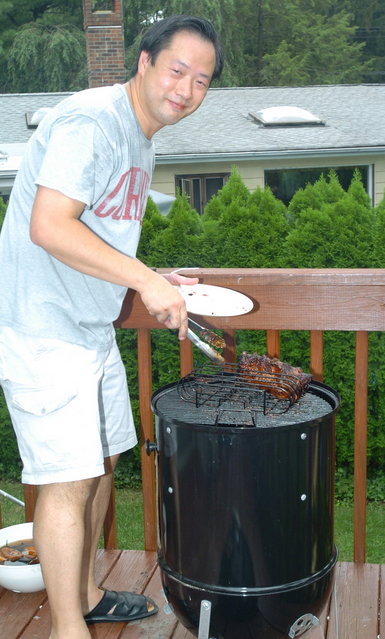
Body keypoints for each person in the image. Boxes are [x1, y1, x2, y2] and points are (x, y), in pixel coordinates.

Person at [0, 14, 224, 639]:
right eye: (177, 69)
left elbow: (93, 234)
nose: (185, 89)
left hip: (88, 325)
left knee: (101, 460)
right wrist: (146, 284)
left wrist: (148, 274)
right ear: (144, 62)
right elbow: (50, 225)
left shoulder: (140, 136)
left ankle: (89, 593)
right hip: (42, 327)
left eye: (200, 80)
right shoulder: (92, 121)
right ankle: (66, 629)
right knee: (67, 481)